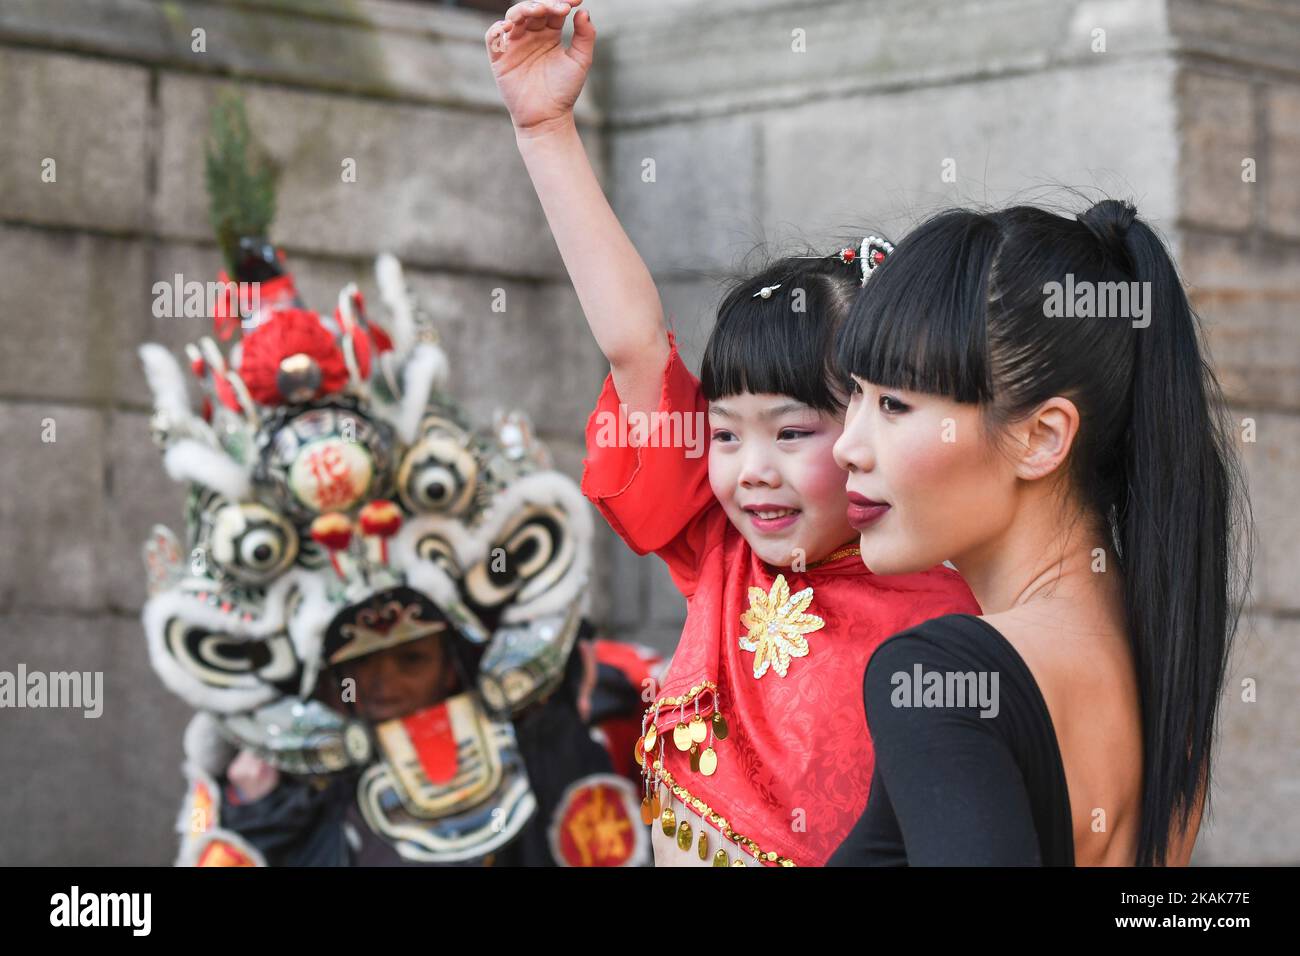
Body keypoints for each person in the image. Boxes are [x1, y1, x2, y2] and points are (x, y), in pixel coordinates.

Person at [485, 0, 980, 866]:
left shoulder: (959, 615)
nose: (751, 472)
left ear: (877, 421)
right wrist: (544, 129)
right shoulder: (721, 550)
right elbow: (635, 341)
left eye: (792, 433)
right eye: (723, 433)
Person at [826, 200, 1249, 866]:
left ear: (1041, 438)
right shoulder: (1163, 687)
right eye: (855, 393)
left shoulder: (942, 674)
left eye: (895, 405)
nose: (847, 446)